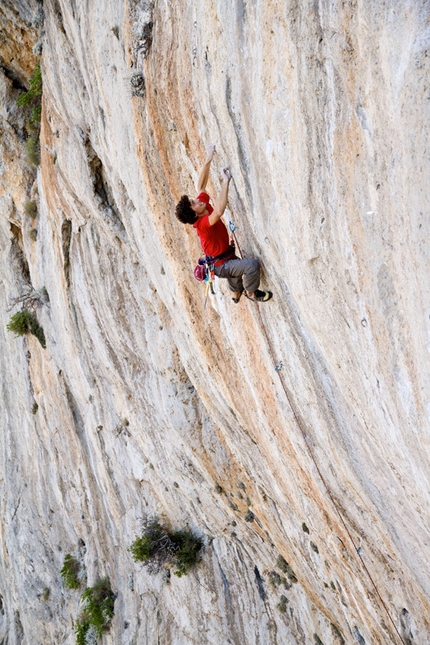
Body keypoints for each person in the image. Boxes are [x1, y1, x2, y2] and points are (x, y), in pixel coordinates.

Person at [175, 145, 273, 303]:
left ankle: (236, 295)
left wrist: (208, 159)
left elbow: (200, 186)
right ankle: (251, 293)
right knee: (251, 266)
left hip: (223, 257)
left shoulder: (203, 206)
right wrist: (225, 182)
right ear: (194, 213)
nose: (197, 199)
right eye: (194, 202)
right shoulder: (203, 225)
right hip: (221, 265)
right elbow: (219, 211)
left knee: (233, 266)